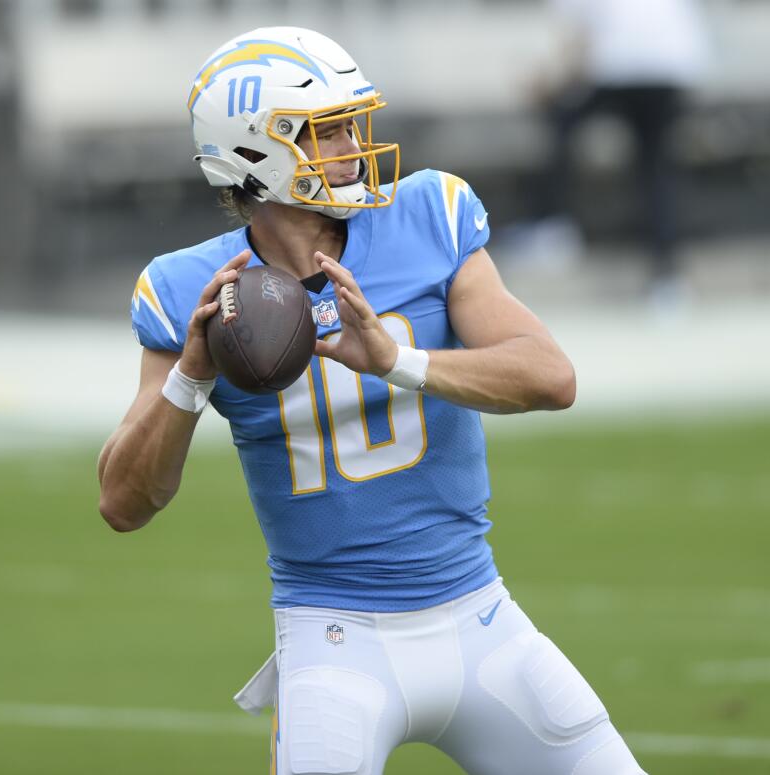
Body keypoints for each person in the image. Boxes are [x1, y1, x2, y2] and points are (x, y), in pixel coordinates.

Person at [98, 27, 647, 775]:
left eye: (353, 125)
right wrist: (190, 378)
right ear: (255, 153)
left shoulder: (428, 214)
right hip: (334, 643)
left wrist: (400, 361)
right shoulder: (187, 289)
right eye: (326, 133)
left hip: (480, 619)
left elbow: (551, 376)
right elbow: (124, 502)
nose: (354, 148)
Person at [536, 0, 710, 303]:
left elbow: (577, 42)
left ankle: (554, 225)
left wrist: (548, 86)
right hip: (673, 69)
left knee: (561, 121)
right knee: (656, 166)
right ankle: (666, 276)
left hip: (620, 68)